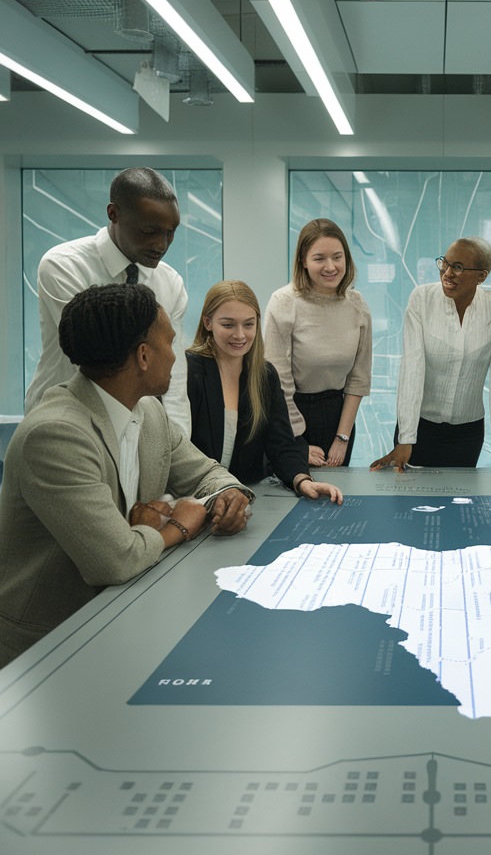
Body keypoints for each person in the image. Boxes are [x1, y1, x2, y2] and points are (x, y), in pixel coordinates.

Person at [0, 283, 252, 669]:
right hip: (50, 647)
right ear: (144, 356)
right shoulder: (54, 434)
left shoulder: (148, 411)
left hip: (124, 615)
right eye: (171, 342)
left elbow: (208, 474)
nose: (176, 355)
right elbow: (116, 560)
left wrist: (228, 495)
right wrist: (178, 526)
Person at [25, 166, 191, 435]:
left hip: (136, 428)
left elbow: (174, 374)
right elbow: (97, 357)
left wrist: (177, 443)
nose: (162, 244)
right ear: (113, 214)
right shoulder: (64, 266)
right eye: (149, 230)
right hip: (65, 422)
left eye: (170, 232)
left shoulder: (170, 283)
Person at [370, 237, 491, 471]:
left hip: (467, 434)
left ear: (482, 276)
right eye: (444, 264)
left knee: (460, 503)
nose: (447, 273)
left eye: (457, 267)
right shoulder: (421, 299)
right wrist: (405, 438)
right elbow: (412, 370)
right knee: (412, 503)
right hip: (419, 428)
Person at [187, 280, 342, 502]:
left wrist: (302, 481)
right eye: (228, 325)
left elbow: (282, 444)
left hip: (245, 500)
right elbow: (179, 450)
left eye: (248, 324)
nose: (240, 335)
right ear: (208, 323)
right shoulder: (189, 371)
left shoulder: (265, 375)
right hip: (195, 498)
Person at [264, 219, 371, 466]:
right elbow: (278, 381)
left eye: (337, 257)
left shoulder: (357, 305)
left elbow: (359, 378)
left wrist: (342, 438)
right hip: (290, 414)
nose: (330, 267)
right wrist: (297, 439)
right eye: (319, 258)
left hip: (338, 418)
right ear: (303, 260)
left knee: (336, 497)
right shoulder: (283, 302)